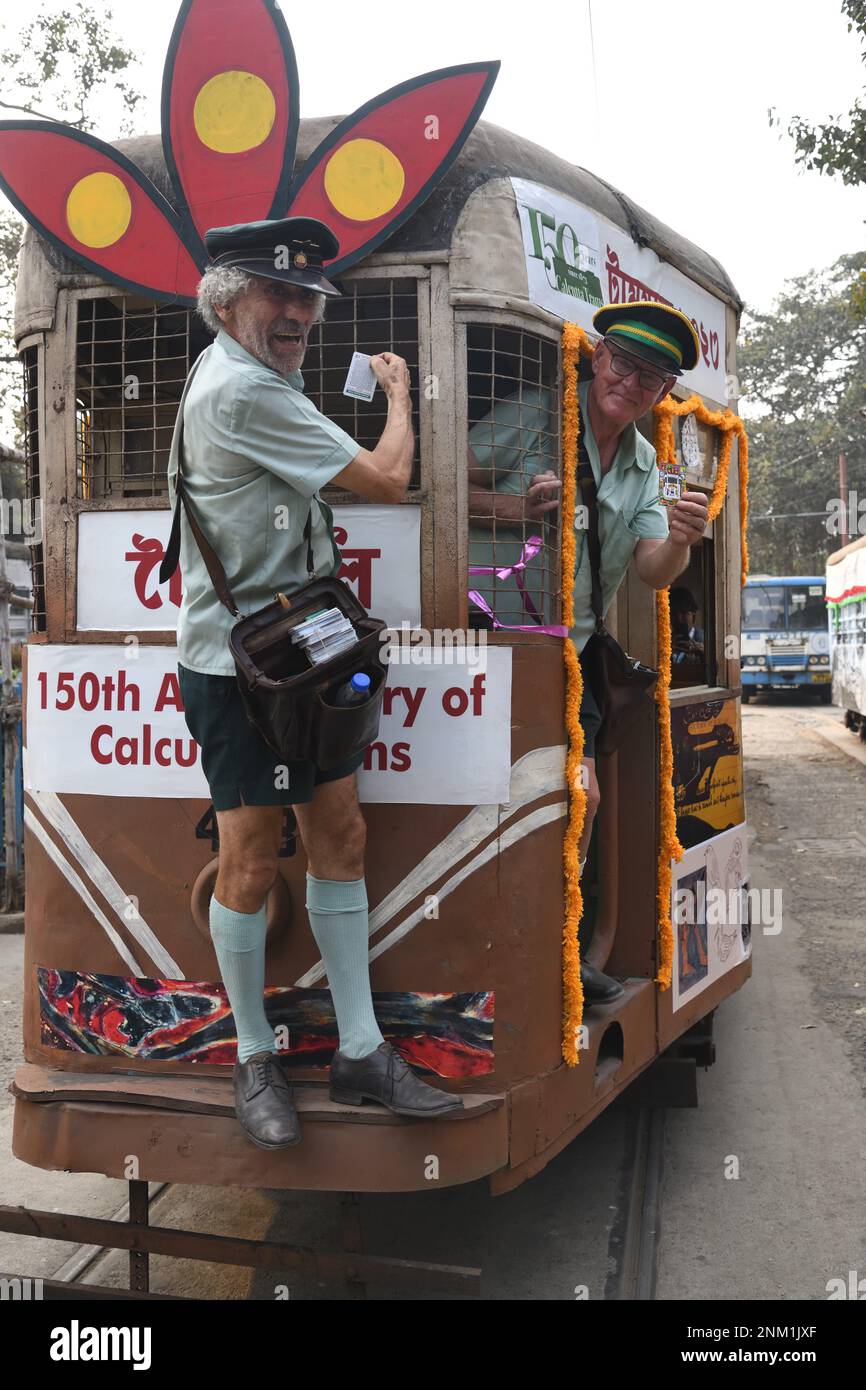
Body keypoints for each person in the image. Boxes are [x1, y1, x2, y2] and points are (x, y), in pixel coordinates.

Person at [167, 216, 461, 1149]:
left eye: (307, 297)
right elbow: (386, 477)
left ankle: (361, 1050)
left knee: (339, 829)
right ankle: (256, 1056)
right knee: (251, 856)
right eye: (277, 293)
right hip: (237, 666)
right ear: (227, 302)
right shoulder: (248, 389)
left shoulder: (267, 377)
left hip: (301, 652)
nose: (296, 311)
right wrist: (400, 396)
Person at [470, 301, 709, 1003]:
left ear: (664, 394)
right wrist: (516, 511)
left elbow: (651, 570)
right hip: (488, 642)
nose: (631, 385)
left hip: (567, 659)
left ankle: (558, 957)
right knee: (523, 805)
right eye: (624, 364)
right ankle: (527, 958)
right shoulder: (532, 415)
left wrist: (683, 541)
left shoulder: (646, 463)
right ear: (597, 357)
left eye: (652, 378)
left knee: (579, 801)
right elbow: (439, 482)